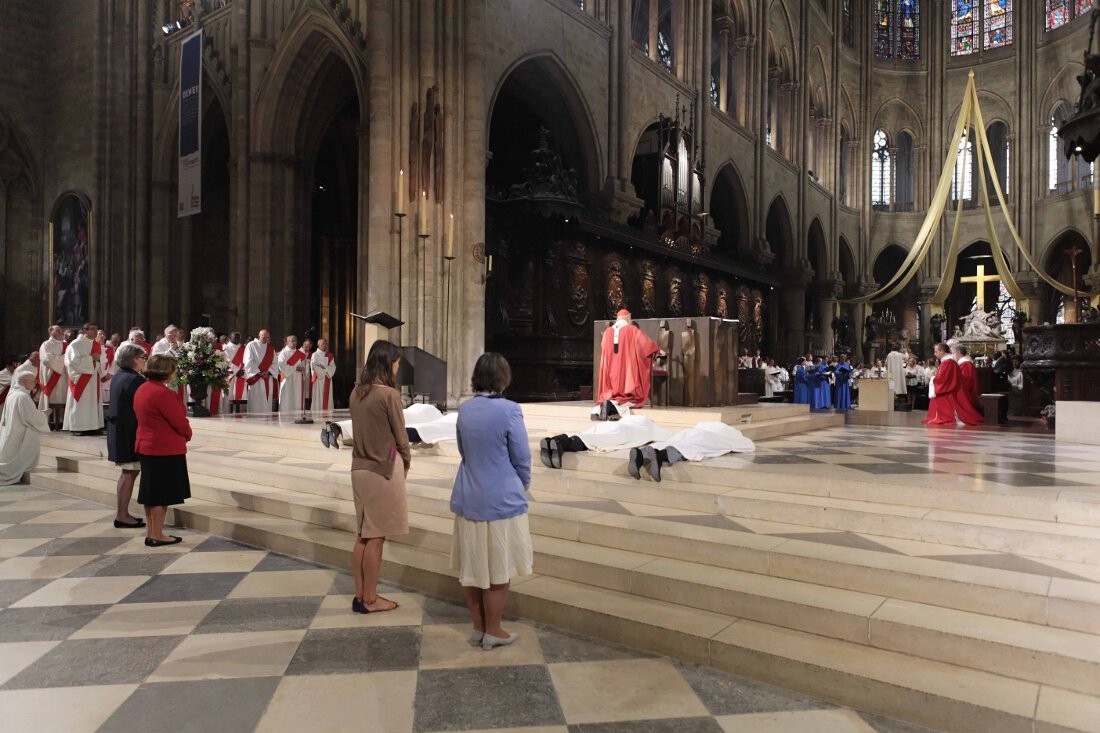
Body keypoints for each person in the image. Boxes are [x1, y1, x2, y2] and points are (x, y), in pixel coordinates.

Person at [450, 352, 532, 650]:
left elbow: (463, 450)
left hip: (469, 495)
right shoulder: (510, 410)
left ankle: (477, 627)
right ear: (503, 377)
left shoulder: (466, 409)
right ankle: (494, 630)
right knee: (499, 568)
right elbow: (521, 456)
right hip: (501, 499)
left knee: (473, 567)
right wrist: (522, 483)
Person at [348, 340, 409, 614]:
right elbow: (401, 438)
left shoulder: (356, 392)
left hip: (359, 469)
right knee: (377, 536)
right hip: (382, 470)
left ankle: (361, 595)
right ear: (387, 363)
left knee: (363, 534)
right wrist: (406, 462)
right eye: (396, 361)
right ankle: (371, 600)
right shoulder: (389, 395)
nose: (398, 366)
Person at [133, 353, 192, 546]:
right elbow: (178, 422)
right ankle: (157, 535)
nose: (175, 373)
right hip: (163, 448)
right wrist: (187, 432)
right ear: (167, 371)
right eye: (174, 369)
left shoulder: (143, 388)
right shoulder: (163, 393)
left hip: (147, 445)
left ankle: (152, 532)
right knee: (161, 493)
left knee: (152, 493)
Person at [105, 343, 148, 529]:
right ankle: (122, 515)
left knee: (128, 472)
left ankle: (123, 513)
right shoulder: (135, 380)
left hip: (120, 431)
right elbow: (145, 405)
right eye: (142, 358)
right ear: (133, 360)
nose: (144, 361)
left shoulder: (119, 376)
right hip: (128, 433)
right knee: (129, 472)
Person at [595, 309, 662, 414]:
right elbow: (644, 344)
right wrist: (657, 350)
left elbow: (604, 349)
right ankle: (624, 397)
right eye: (630, 319)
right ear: (628, 318)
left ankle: (611, 397)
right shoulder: (632, 330)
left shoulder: (607, 332)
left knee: (612, 386)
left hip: (611, 368)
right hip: (625, 370)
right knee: (627, 380)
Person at [0, 372, 51, 485]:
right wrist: (44, 414)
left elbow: (27, 414)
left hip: (13, 431)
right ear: (25, 382)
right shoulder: (22, 397)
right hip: (19, 433)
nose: (35, 383)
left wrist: (38, 414)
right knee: (32, 433)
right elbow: (31, 418)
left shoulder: (13, 394)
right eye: (33, 381)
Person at [923, 342, 983, 427]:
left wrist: (933, 378)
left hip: (949, 391)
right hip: (951, 389)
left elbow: (943, 379)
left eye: (936, 351)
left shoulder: (948, 362)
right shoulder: (948, 361)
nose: (935, 354)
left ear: (942, 351)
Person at [63, 322, 105, 435]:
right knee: (81, 402)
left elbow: (101, 360)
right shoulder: (75, 344)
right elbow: (71, 362)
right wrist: (91, 358)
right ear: (85, 331)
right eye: (93, 329)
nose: (96, 332)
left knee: (92, 402)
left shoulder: (95, 344)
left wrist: (99, 362)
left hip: (93, 377)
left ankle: (93, 426)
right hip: (81, 378)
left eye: (97, 329)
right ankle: (78, 427)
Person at [38, 325, 67, 430]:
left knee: (62, 398)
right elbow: (47, 359)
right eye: (57, 330)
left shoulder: (65, 345)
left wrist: (60, 360)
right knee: (51, 399)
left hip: (63, 376)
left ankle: (62, 422)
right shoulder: (46, 344)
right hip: (50, 376)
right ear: (50, 331)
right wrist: (63, 359)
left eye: (61, 331)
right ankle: (49, 423)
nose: (60, 332)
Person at [244, 329, 278, 413]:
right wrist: (259, 373)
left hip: (267, 377)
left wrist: (268, 372)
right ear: (259, 336)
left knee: (266, 401)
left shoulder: (271, 348)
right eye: (264, 337)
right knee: (256, 401)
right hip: (256, 378)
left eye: (268, 337)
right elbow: (248, 361)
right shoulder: (251, 345)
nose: (266, 339)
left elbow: (275, 363)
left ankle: (267, 419)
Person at [277, 335, 309, 412]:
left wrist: (303, 369)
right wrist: (295, 368)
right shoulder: (283, 353)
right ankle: (284, 416)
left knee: (297, 398)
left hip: (298, 379)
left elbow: (305, 366)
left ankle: (297, 415)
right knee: (287, 398)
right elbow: (281, 365)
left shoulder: (301, 353)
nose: (294, 343)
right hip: (287, 379)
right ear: (287, 342)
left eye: (295, 341)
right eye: (292, 341)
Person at [952, 344, 983, 416]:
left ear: (959, 353)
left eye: (953, 353)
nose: (952, 356)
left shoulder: (965, 364)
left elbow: (966, 380)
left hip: (966, 392)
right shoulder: (963, 363)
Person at [311, 338, 337, 412]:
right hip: (319, 379)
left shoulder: (330, 355)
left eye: (326, 344)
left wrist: (325, 368)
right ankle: (317, 413)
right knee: (318, 397)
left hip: (327, 378)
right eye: (323, 344)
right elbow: (314, 367)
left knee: (327, 397)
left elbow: (333, 367)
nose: (325, 346)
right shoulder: (314, 355)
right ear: (318, 345)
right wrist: (326, 371)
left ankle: (328, 413)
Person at [223, 332, 247, 409]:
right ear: (230, 338)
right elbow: (227, 361)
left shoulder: (244, 348)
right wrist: (237, 371)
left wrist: (243, 371)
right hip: (230, 375)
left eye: (238, 338)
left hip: (241, 375)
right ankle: (227, 412)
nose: (237, 339)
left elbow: (247, 360)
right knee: (229, 395)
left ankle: (241, 414)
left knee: (241, 396)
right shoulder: (226, 348)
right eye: (234, 337)